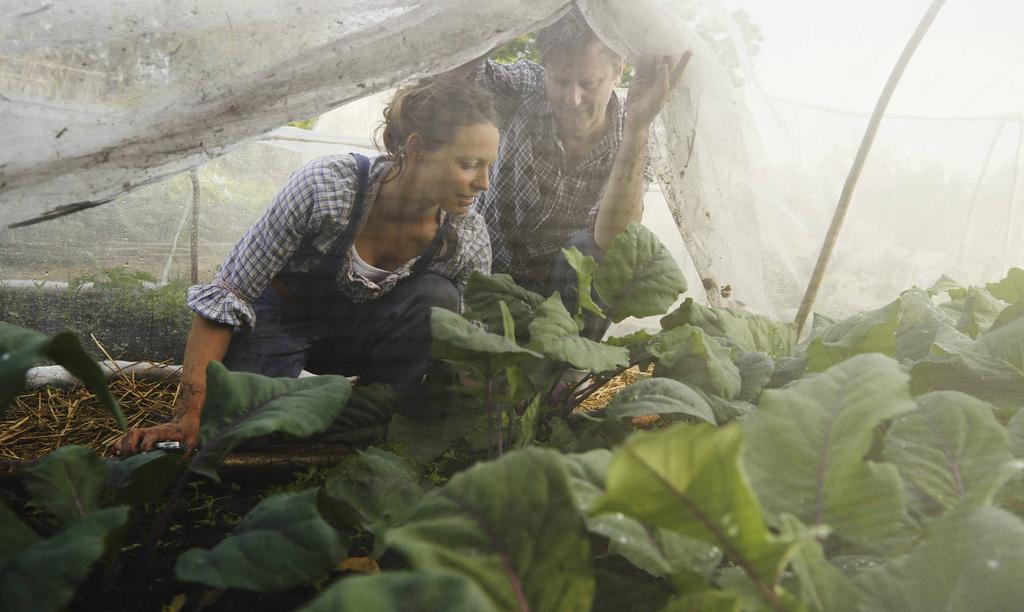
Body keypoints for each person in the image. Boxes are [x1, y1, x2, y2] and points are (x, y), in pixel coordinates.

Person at [116, 78, 499, 456]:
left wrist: (479, 425)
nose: (483, 182)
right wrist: (189, 414)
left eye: (488, 167)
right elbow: (229, 294)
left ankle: (373, 418)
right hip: (283, 319)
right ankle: (272, 406)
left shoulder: (464, 236)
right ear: (416, 149)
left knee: (438, 297)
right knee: (238, 430)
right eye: (469, 164)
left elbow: (469, 344)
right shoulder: (330, 188)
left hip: (362, 337)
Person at [456, 9, 690, 307]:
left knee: (592, 252)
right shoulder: (525, 87)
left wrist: (637, 128)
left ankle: (565, 352)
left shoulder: (634, 136)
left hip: (567, 303)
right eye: (561, 81)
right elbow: (454, 74)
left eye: (589, 83)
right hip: (487, 280)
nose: (573, 98)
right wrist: (506, 19)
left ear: (618, 70)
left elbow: (614, 242)